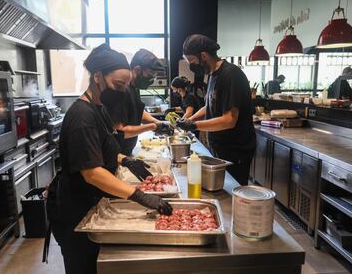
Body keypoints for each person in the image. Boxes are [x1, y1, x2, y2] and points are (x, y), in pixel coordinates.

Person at [47, 44, 172, 274]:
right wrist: (138, 195)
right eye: (118, 84)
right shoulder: (81, 117)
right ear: (98, 77)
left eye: (125, 85)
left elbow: (103, 148)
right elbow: (92, 172)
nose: (123, 91)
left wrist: (125, 160)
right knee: (82, 266)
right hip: (75, 208)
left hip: (92, 202)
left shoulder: (99, 109)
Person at [176, 34, 256, 185]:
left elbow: (229, 120)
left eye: (192, 61)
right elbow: (210, 105)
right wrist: (190, 119)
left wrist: (194, 126)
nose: (191, 66)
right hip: (220, 147)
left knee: (233, 190)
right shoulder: (213, 75)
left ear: (203, 55)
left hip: (235, 150)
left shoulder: (230, 75)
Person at [109, 49, 172, 156]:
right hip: (116, 155)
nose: (152, 79)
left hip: (127, 152)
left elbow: (138, 112)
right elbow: (121, 131)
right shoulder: (122, 91)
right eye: (151, 74)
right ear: (137, 69)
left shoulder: (135, 88)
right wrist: (153, 127)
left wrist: (158, 123)